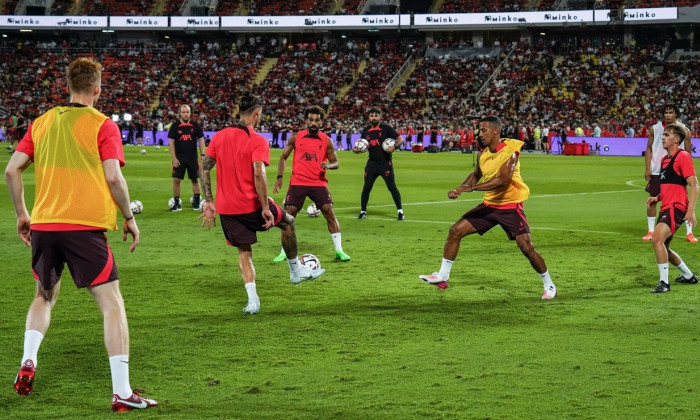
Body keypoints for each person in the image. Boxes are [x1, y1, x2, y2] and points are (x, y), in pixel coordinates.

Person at [4, 57, 157, 411]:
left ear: (68, 86)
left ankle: (29, 360)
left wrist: (23, 215)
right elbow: (114, 177)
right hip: (84, 228)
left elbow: (12, 171)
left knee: (44, 297)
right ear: (98, 89)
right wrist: (128, 217)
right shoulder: (102, 124)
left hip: (44, 225)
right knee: (112, 305)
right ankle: (121, 392)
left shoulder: (41, 122)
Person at [198, 93, 325, 315]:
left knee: (244, 252)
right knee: (288, 222)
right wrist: (265, 208)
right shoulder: (257, 139)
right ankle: (295, 272)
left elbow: (205, 167)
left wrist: (209, 201)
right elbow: (259, 173)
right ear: (256, 113)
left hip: (227, 208)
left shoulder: (219, 136)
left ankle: (253, 301)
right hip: (251, 204)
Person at [418, 116, 557, 299]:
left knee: (526, 247)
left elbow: (502, 180)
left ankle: (549, 285)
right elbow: (476, 174)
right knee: (455, 231)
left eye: (483, 130)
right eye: (479, 131)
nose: (480, 134)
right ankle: (443, 276)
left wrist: (472, 188)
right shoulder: (483, 153)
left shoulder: (510, 151)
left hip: (510, 206)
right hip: (489, 206)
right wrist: (460, 189)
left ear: (495, 131)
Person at [271, 106, 351, 263]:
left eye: (317, 120)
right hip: (298, 181)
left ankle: (339, 250)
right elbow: (283, 157)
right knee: (289, 213)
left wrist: (329, 166)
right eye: (311, 120)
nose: (314, 123)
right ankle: (283, 252)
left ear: (321, 122)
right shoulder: (296, 137)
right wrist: (280, 177)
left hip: (318, 182)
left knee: (328, 211)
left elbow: (336, 162)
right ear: (306, 120)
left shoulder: (326, 141)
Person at [646, 123, 698, 293]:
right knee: (664, 247)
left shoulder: (683, 156)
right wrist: (657, 198)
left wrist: (690, 211)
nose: (663, 137)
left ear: (676, 140)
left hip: (677, 208)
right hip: (666, 206)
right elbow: (670, 186)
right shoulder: (665, 159)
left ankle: (664, 283)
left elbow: (694, 184)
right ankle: (689, 276)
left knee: (656, 238)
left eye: (667, 135)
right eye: (663, 135)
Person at [643, 103, 695, 242]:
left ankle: (689, 232)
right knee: (653, 198)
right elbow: (648, 148)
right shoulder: (655, 129)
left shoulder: (684, 130)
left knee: (683, 199)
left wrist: (687, 169)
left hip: (676, 168)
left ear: (676, 114)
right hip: (657, 169)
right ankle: (651, 230)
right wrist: (648, 168)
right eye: (666, 112)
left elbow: (688, 152)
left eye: (671, 112)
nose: (667, 115)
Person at [353, 107, 405, 220]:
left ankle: (400, 212)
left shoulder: (386, 129)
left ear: (380, 117)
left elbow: (400, 139)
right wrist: (356, 150)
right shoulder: (366, 131)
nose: (374, 117)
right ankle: (363, 211)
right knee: (366, 188)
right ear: (369, 118)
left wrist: (394, 147)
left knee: (392, 187)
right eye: (372, 115)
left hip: (385, 163)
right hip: (371, 164)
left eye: (376, 115)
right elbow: (362, 145)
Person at [168, 104, 206, 211]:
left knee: (195, 179)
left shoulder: (195, 125)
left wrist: (203, 154)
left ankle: (197, 204)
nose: (185, 114)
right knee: (176, 180)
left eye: (187, 112)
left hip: (192, 158)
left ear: (190, 113)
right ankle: (176, 204)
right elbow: (171, 143)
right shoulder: (175, 126)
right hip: (179, 158)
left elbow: (201, 139)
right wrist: (174, 158)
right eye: (184, 112)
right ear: (179, 113)